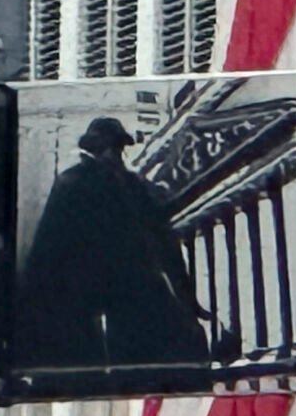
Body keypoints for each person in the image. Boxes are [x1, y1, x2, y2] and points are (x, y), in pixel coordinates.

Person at [14, 116, 227, 373]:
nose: (115, 154)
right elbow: (48, 248)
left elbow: (164, 242)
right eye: (109, 148)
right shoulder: (77, 184)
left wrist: (188, 298)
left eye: (117, 148)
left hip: (125, 289)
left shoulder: (130, 186)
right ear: (95, 148)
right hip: (90, 291)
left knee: (166, 349)